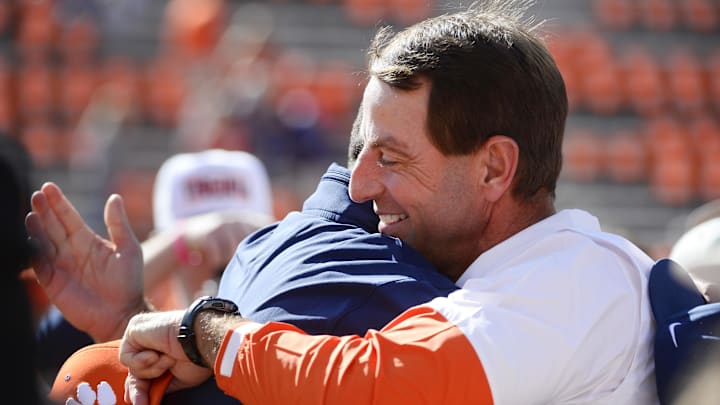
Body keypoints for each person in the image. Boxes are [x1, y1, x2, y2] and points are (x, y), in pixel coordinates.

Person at [116, 2, 658, 404]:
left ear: (494, 167)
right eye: (359, 153)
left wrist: (206, 334)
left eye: (392, 159)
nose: (359, 186)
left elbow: (367, 383)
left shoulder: (568, 280)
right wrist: (132, 324)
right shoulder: (540, 275)